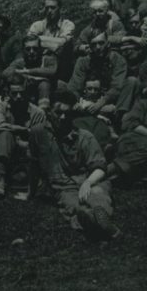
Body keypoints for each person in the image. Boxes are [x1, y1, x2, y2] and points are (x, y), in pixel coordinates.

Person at [29, 88, 120, 239]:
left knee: (99, 196)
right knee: (72, 204)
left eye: (68, 113)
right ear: (49, 110)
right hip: (63, 187)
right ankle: (88, 219)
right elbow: (33, 163)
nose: (63, 117)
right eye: (58, 112)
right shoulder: (37, 133)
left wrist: (88, 183)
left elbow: (100, 167)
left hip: (89, 180)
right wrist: (30, 193)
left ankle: (100, 217)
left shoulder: (85, 137)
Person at [0, 75, 46, 198]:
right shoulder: (0, 106)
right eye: (14, 93)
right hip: (5, 146)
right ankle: (0, 179)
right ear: (8, 93)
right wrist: (23, 129)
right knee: (4, 134)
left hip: (27, 150)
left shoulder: (37, 113)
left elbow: (40, 139)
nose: (19, 97)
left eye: (22, 93)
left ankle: (28, 175)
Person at [68, 32, 135, 119]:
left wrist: (101, 103)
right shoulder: (83, 61)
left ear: (107, 43)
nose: (98, 47)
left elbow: (117, 86)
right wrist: (75, 102)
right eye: (94, 44)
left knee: (132, 81)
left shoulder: (117, 59)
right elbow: (75, 85)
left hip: (110, 97)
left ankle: (119, 116)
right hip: (88, 96)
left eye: (101, 43)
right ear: (89, 46)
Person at [27, 0, 75, 81]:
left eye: (53, 8)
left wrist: (40, 39)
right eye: (47, 8)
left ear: (60, 8)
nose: (49, 11)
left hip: (60, 67)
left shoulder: (68, 24)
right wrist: (54, 44)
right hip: (39, 63)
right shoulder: (37, 25)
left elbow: (62, 44)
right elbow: (29, 43)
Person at [3, 35, 58, 108]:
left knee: (44, 84)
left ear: (40, 49)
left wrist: (26, 71)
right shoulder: (21, 62)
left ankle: (44, 112)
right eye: (28, 49)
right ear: (23, 50)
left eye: (35, 49)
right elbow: (5, 73)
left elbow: (51, 71)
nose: (31, 52)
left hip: (48, 95)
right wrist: (19, 74)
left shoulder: (48, 59)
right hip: (27, 93)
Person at [73, 75, 119, 154]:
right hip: (84, 123)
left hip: (100, 124)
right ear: (84, 90)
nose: (93, 92)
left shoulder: (102, 101)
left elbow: (113, 109)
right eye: (89, 89)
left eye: (96, 89)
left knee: (101, 129)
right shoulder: (80, 101)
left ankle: (103, 149)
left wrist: (101, 108)